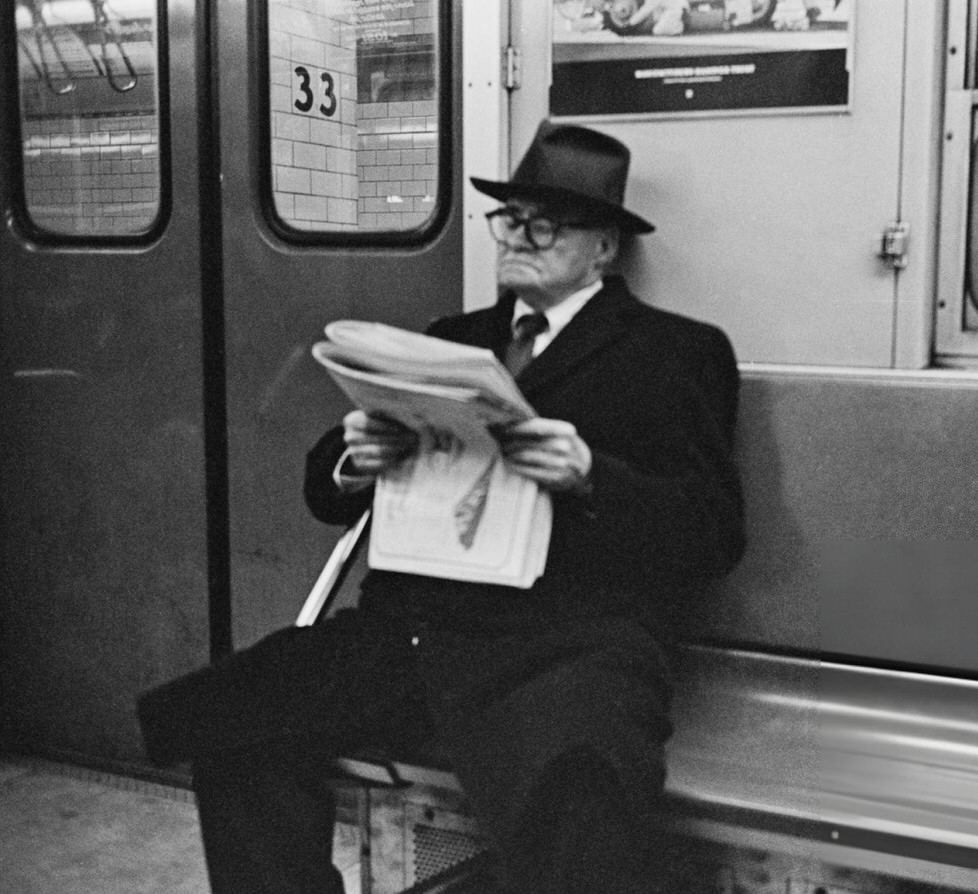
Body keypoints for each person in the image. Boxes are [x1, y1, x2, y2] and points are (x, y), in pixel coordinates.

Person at [137, 121, 746, 894]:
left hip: (568, 640)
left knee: (584, 785)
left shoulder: (675, 353)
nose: (517, 236)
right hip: (413, 631)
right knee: (231, 720)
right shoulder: (450, 341)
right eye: (509, 218)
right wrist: (352, 461)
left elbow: (713, 535)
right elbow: (324, 492)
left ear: (604, 248)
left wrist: (594, 476)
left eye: (545, 222)